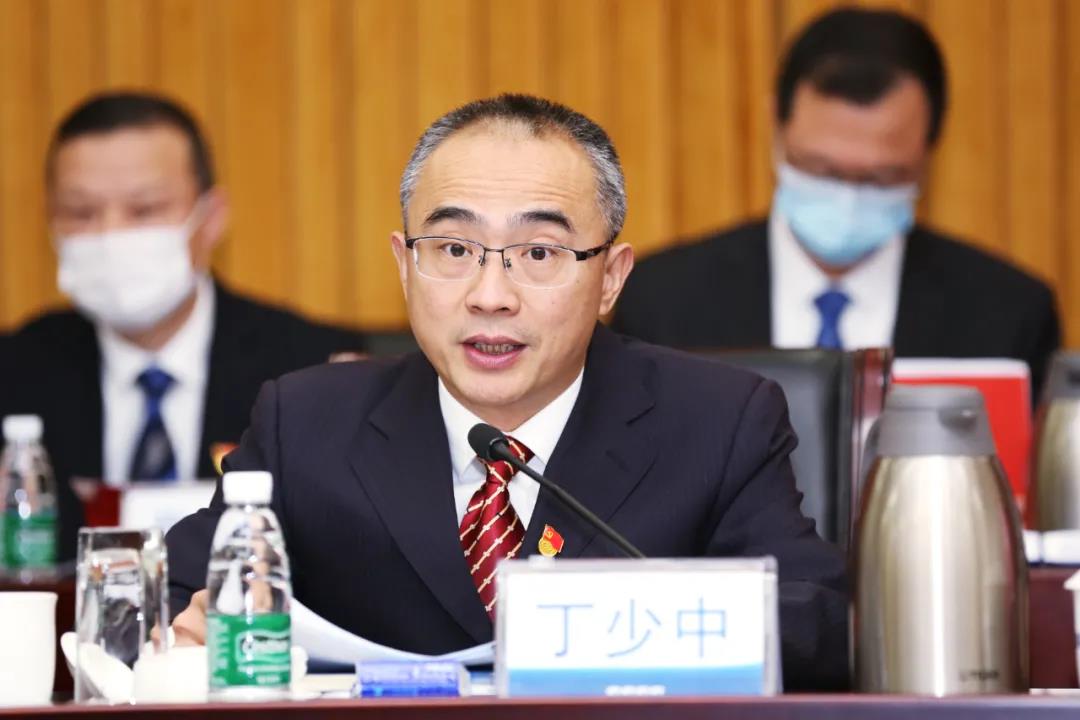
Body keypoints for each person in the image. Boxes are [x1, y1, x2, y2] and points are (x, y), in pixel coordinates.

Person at [166, 94, 848, 690]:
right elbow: (174, 593)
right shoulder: (306, 423)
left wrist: (622, 628)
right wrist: (192, 628)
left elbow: (817, 622)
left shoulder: (717, 421)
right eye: (454, 250)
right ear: (405, 264)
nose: (490, 296)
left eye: (539, 254)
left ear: (610, 279)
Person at [611, 7, 1060, 398]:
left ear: (928, 153)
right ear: (777, 127)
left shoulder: (1010, 315)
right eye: (820, 169)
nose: (848, 196)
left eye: (883, 177)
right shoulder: (662, 302)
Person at [0, 92, 365, 559]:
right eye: (81, 213)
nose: (112, 234)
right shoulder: (15, 372)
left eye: (145, 209)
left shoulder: (310, 368)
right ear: (52, 223)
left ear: (210, 219)